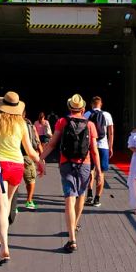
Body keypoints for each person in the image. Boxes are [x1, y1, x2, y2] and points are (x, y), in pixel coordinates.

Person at [39, 94, 101, 253]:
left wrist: (40, 159)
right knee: (81, 195)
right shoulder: (90, 125)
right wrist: (99, 171)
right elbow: (94, 150)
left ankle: (72, 238)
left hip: (66, 163)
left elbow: (52, 144)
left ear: (69, 108)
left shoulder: (62, 121)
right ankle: (75, 224)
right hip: (85, 164)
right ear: (83, 109)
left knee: (69, 198)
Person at [0, 92, 41, 265]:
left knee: (0, 207)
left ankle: (4, 247)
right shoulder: (22, 124)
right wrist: (40, 162)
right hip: (17, 166)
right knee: (8, 203)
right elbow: (30, 150)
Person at [84, 96, 114, 207]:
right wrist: (110, 146)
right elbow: (110, 133)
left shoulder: (86, 114)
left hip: (90, 146)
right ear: (101, 104)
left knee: (90, 171)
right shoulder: (107, 115)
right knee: (101, 172)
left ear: (91, 104)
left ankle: (90, 195)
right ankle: (97, 198)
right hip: (103, 146)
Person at [22, 110, 43, 210]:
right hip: (27, 156)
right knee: (30, 179)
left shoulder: (10, 124)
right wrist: (41, 159)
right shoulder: (30, 125)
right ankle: (29, 200)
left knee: (12, 182)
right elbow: (37, 142)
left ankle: (11, 205)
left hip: (12, 156)